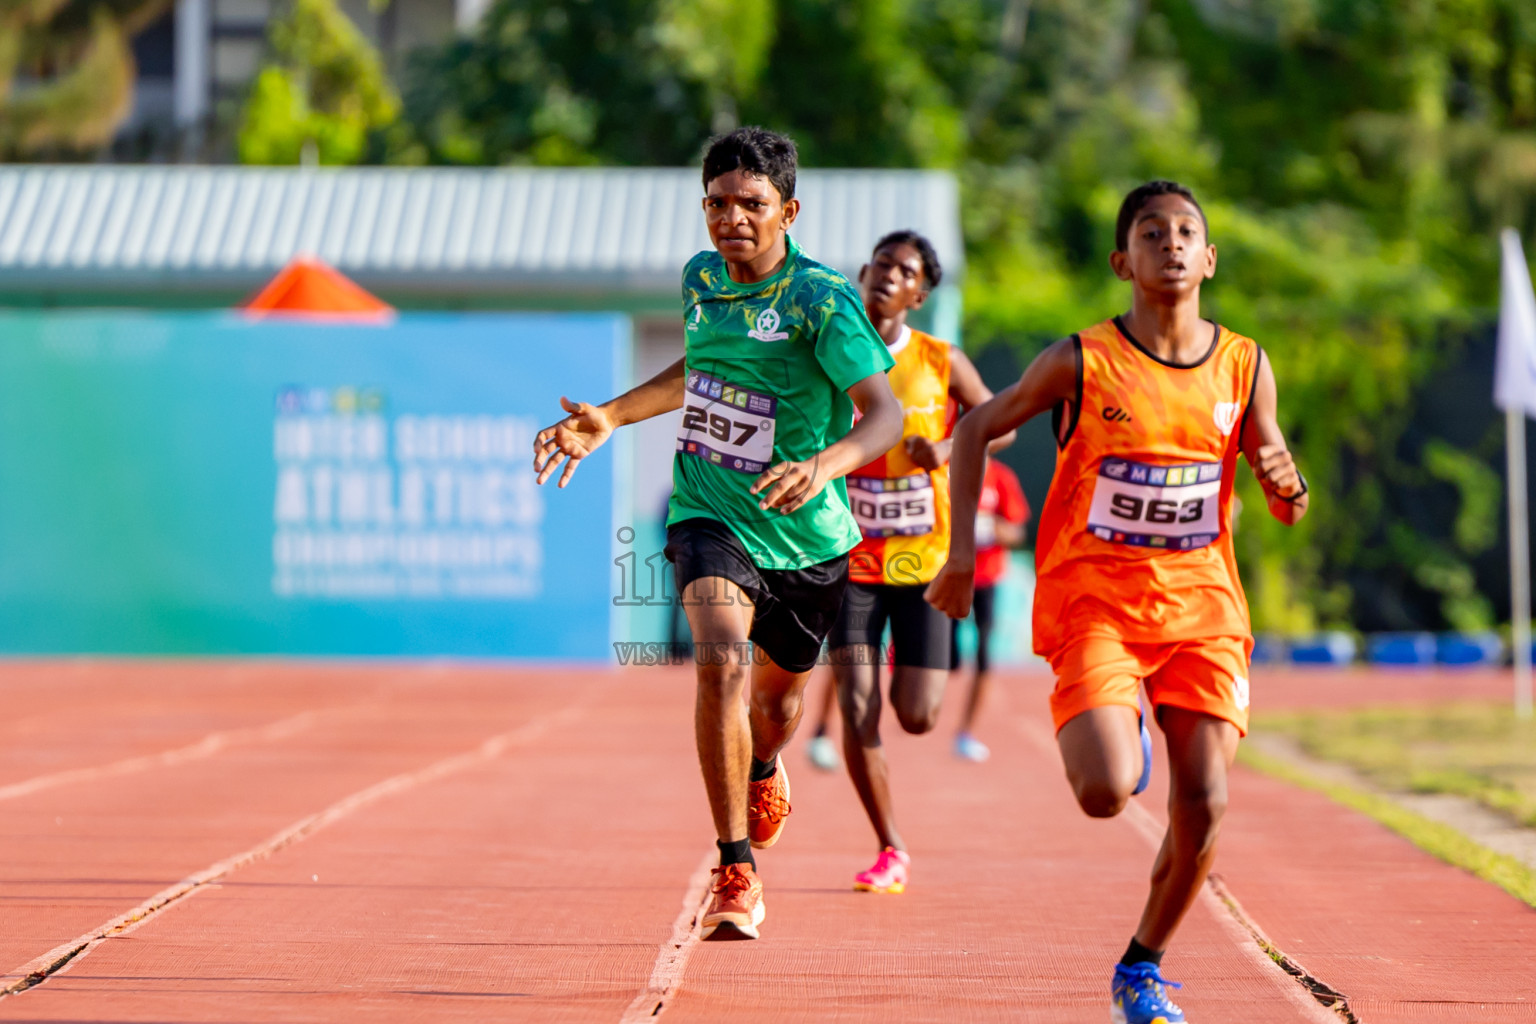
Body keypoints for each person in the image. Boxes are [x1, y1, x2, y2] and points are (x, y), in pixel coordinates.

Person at [926, 180, 1309, 1024]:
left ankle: (1142, 968)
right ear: (1121, 259)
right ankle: (1123, 720)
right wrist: (958, 557)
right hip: (1096, 605)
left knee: (1205, 801)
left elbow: (1277, 479)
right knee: (1106, 792)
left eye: (1185, 233)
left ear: (1209, 258)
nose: (1169, 244)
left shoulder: (1245, 364)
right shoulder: (1081, 359)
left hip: (1204, 609)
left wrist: (1287, 488)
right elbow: (975, 427)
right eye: (1150, 232)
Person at [533, 127, 902, 942]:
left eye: (751, 205)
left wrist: (825, 465)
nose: (731, 218)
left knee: (775, 709)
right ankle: (736, 869)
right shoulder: (701, 278)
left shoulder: (823, 300)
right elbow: (696, 371)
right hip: (709, 514)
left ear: (788, 210)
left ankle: (765, 766)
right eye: (717, 203)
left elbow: (886, 414)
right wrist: (611, 418)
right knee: (720, 663)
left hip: (807, 540)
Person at [829, 230, 1013, 895]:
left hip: (924, 563)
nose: (888, 276)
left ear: (920, 293)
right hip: (847, 560)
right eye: (881, 264)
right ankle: (890, 846)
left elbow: (1003, 420)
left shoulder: (939, 358)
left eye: (903, 271)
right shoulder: (833, 351)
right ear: (864, 272)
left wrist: (950, 441)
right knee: (856, 706)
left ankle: (918, 693)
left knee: (918, 715)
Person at [950, 455, 1030, 762]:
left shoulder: (1000, 476)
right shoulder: (947, 471)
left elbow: (1017, 531)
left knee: (984, 657)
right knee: (946, 661)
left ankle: (966, 733)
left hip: (987, 579)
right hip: (949, 576)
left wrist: (997, 529)